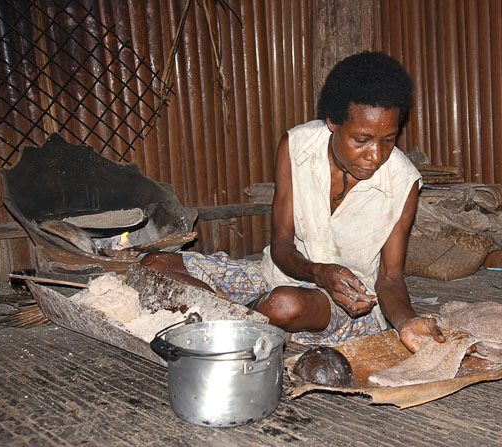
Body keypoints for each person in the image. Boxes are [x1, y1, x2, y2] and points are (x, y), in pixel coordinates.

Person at [142, 51, 444, 353]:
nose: (376, 155)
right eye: (361, 140)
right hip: (275, 275)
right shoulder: (296, 147)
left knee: (283, 304)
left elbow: (390, 279)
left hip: (343, 307)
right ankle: (238, 314)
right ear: (332, 122)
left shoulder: (403, 182)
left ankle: (221, 315)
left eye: (388, 140)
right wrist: (319, 272)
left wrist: (406, 322)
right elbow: (282, 245)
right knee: (152, 265)